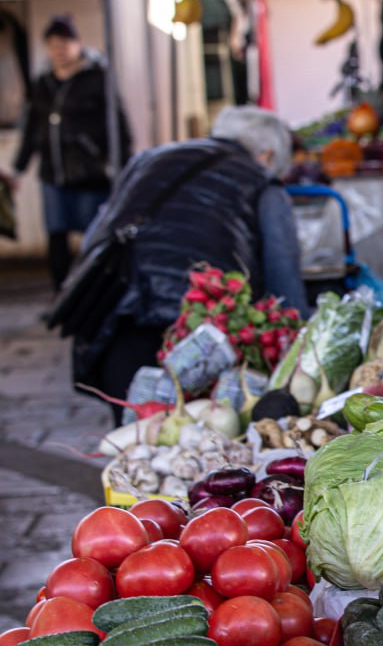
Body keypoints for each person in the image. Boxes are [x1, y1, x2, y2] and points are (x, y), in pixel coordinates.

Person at [69, 106, 307, 423]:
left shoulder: (148, 159)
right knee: (201, 433)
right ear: (267, 155)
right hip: (198, 331)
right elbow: (283, 276)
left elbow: (96, 235)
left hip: (118, 309)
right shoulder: (260, 179)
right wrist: (299, 344)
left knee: (134, 437)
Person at [5, 15, 132, 289]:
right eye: (52, 45)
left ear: (77, 44)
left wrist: (122, 165)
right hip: (54, 172)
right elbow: (32, 130)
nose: (59, 51)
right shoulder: (43, 83)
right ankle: (60, 293)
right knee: (56, 233)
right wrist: (17, 169)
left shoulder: (96, 78)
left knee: (93, 234)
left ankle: (93, 292)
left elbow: (118, 125)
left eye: (63, 44)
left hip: (91, 171)